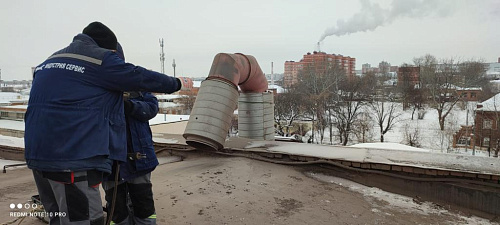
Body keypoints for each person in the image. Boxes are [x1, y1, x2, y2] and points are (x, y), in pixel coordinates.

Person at [25, 21, 181, 225]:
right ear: (111, 51)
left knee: (59, 217)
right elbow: (142, 76)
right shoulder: (99, 59)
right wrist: (176, 83)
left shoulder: (50, 61)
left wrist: (131, 106)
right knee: (89, 219)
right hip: (72, 158)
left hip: (38, 156)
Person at [102, 43, 160, 225]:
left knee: (144, 208)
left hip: (139, 158)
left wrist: (130, 106)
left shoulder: (136, 83)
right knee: (117, 212)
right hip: (111, 163)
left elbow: (152, 107)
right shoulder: (97, 86)